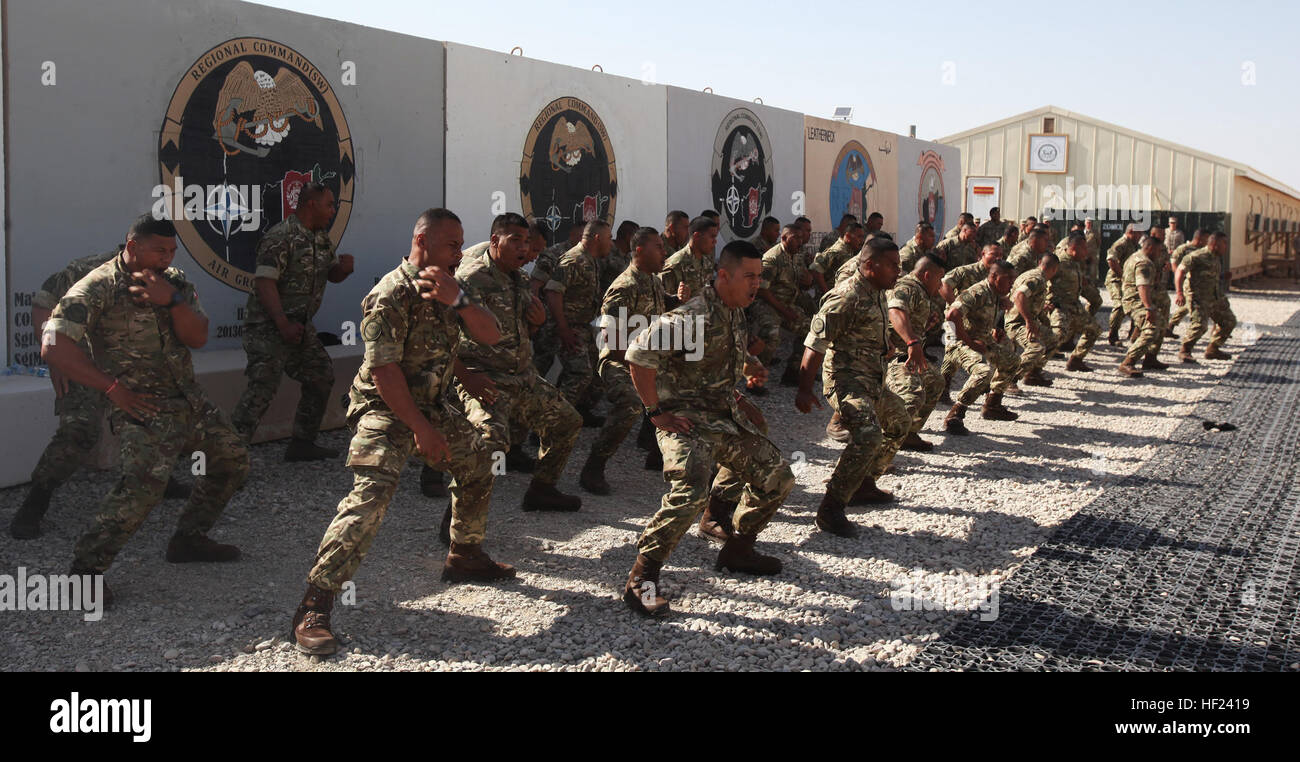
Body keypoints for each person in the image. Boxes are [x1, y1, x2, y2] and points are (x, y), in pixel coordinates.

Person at [291, 208, 512, 656]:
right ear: (422, 240)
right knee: (374, 490)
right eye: (452, 244)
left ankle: (464, 554)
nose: (458, 252)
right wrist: (422, 431)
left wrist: (461, 305)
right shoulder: (389, 294)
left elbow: (492, 335)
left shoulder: (452, 288)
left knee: (482, 461)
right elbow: (385, 371)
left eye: (460, 244)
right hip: (384, 407)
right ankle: (315, 603)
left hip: (429, 403)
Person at [42, 214, 249, 605]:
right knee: (139, 492)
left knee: (232, 461)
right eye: (159, 250)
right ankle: (84, 574)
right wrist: (111, 388)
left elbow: (198, 336)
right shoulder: (98, 286)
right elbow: (53, 345)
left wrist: (169, 300)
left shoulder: (176, 282)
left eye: (171, 251)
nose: (166, 259)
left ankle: (188, 540)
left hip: (189, 401)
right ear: (132, 246)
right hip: (143, 407)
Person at [622, 240, 794, 617]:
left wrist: (749, 367)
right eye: (748, 276)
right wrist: (654, 412)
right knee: (690, 491)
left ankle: (738, 550)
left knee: (778, 476)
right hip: (684, 420)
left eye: (759, 277)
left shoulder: (733, 310)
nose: (755, 284)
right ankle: (642, 577)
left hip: (721, 414)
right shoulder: (691, 317)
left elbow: (723, 352)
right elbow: (637, 355)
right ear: (723, 276)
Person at [11, 247, 190, 540]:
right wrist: (53, 354)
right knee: (80, 430)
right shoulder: (88, 269)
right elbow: (44, 304)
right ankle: (35, 502)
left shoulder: (167, 278)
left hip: (131, 360)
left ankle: (160, 479)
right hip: (85, 359)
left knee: (158, 416)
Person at [456, 213, 584, 511]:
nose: (523, 249)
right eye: (515, 241)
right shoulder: (470, 280)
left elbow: (525, 328)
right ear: (494, 241)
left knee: (567, 422)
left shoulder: (521, 279)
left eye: (526, 242)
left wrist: (537, 322)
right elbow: (440, 338)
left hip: (522, 377)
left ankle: (542, 490)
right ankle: (458, 522)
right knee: (489, 444)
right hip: (485, 379)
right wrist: (464, 377)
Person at [796, 238, 910, 536]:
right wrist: (804, 390)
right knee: (869, 434)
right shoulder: (845, 297)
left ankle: (863, 483)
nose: (898, 272)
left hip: (872, 379)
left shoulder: (878, 291)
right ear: (870, 266)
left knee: (899, 422)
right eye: (893, 267)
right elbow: (814, 345)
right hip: (846, 382)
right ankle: (831, 508)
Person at [230, 183, 353, 460]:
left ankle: (302, 443)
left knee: (321, 376)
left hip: (300, 327)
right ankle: (227, 460)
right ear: (311, 204)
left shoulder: (320, 237)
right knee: (261, 388)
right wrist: (282, 324)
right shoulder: (280, 237)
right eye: (329, 204)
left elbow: (329, 274)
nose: (333, 211)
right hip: (268, 327)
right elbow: (264, 283)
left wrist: (342, 270)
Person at [579, 227, 668, 492]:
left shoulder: (652, 280)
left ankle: (657, 453)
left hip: (644, 357)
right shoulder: (623, 287)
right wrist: (644, 367)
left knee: (681, 387)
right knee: (630, 402)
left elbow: (660, 308)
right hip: (617, 360)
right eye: (659, 247)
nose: (664, 253)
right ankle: (593, 468)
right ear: (640, 250)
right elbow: (613, 344)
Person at [545, 220, 612, 426]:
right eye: (609, 238)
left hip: (584, 328)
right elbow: (552, 291)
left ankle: (580, 412)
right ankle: (549, 425)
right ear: (597, 238)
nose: (612, 243)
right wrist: (563, 329)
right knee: (579, 373)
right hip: (569, 329)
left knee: (599, 372)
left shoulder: (590, 259)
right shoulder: (573, 259)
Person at [941, 261, 1020, 433]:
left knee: (1012, 360)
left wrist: (995, 330)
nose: (1011, 283)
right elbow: (952, 315)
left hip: (983, 341)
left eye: (1013, 279)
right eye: (1008, 279)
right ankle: (955, 414)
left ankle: (992, 405)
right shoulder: (977, 292)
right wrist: (969, 342)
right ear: (993, 277)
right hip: (961, 342)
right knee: (984, 372)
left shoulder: (995, 294)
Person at [882, 255, 947, 459]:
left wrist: (923, 328)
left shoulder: (921, 290)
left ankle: (908, 433)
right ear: (927, 275)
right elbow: (895, 311)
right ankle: (879, 449)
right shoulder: (908, 287)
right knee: (911, 397)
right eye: (939, 279)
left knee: (935, 382)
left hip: (908, 353)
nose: (941, 284)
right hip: (892, 355)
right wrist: (912, 341)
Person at [749, 223, 812, 385]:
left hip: (785, 304)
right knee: (771, 335)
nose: (800, 241)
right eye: (795, 238)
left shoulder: (796, 256)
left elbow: (799, 282)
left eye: (801, 237)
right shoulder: (772, 258)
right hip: (766, 304)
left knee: (811, 332)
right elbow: (763, 291)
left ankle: (793, 372)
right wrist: (785, 312)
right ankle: (755, 379)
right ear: (784, 238)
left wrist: (808, 282)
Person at [1175, 231, 1237, 361]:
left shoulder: (1216, 257)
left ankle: (1213, 349)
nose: (1226, 246)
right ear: (1215, 244)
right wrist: (1179, 293)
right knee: (1200, 326)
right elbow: (1180, 272)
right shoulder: (1196, 256)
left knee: (1229, 321)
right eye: (1224, 243)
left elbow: (1208, 276)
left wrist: (1222, 277)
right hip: (1198, 297)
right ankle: (1185, 350)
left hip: (1214, 296)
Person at [1005, 251, 1061, 387]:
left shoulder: (1033, 275)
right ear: (1054, 269)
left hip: (1023, 320)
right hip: (1016, 323)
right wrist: (1029, 321)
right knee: (1036, 348)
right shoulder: (1037, 279)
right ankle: (1008, 379)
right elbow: (1019, 296)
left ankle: (1033, 374)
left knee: (1052, 340)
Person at [1049, 233, 1102, 372]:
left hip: (1074, 306)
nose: (1087, 252)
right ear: (1074, 248)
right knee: (1056, 337)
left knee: (1094, 330)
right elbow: (1043, 281)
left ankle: (1076, 360)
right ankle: (1032, 369)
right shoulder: (1058, 262)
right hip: (1059, 307)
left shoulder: (1075, 262)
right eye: (1084, 248)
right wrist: (1048, 302)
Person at [1116, 235, 1166, 378]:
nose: (1159, 254)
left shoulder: (1135, 256)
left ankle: (1150, 358)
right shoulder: (1144, 263)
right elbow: (1142, 286)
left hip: (1134, 299)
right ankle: (1128, 362)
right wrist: (1149, 307)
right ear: (1149, 248)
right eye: (1158, 251)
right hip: (1136, 302)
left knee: (1161, 323)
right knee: (1152, 328)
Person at [1105, 224, 1142, 345]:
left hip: (1130, 281)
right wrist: (1123, 276)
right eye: (1138, 233)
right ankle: (1113, 334)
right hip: (1115, 280)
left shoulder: (1135, 244)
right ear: (1131, 232)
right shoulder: (1121, 244)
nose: (1140, 236)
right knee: (1120, 305)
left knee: (1136, 303)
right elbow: (1111, 260)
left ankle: (1133, 332)